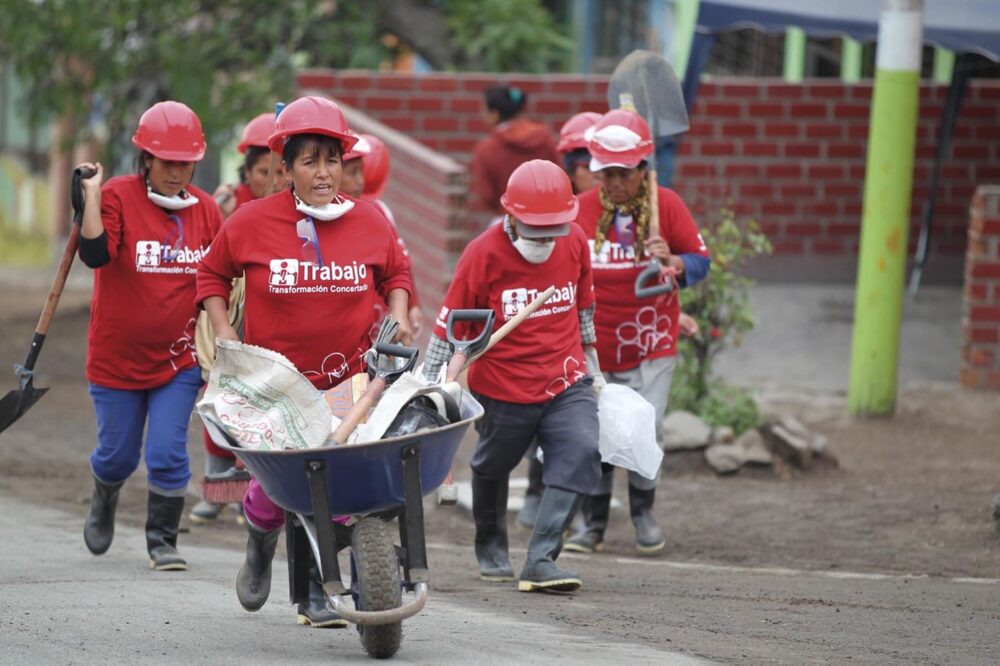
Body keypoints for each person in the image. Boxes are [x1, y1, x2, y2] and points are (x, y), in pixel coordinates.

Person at [196, 95, 413, 626]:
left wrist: (401, 314)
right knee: (277, 495)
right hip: (273, 386)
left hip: (345, 381)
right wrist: (226, 334)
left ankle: (318, 593)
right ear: (286, 167)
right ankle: (258, 540)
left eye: (332, 159)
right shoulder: (252, 221)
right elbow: (210, 276)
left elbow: (398, 276)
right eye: (309, 160)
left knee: (334, 489)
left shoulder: (369, 223)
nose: (323, 172)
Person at [422, 159, 602, 592]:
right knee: (492, 465)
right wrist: (432, 386)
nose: (543, 240)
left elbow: (584, 308)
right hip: (502, 389)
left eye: (551, 230)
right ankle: (491, 543)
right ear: (510, 216)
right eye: (533, 229)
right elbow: (451, 328)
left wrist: (594, 364)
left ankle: (541, 559)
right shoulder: (483, 254)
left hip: (565, 378)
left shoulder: (575, 241)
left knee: (582, 448)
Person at [75, 101, 222, 571]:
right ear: (147, 159)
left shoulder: (206, 212)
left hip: (177, 361)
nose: (178, 172)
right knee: (117, 456)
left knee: (166, 452)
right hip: (116, 359)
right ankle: (105, 496)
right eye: (168, 162)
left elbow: (222, 276)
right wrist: (92, 197)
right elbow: (95, 255)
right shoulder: (117, 196)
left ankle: (162, 540)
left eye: (186, 162)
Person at [566, 109, 710, 556]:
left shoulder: (667, 206)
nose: (612, 183)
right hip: (595, 342)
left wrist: (674, 262)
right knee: (598, 430)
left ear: (643, 170)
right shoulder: (582, 211)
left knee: (648, 426)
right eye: (604, 173)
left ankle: (644, 511)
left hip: (652, 340)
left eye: (622, 174)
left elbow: (700, 262)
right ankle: (594, 523)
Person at [190, 112, 283, 526]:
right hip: (230, 309)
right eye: (264, 171)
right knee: (219, 393)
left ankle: (255, 488)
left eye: (279, 169)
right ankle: (217, 488)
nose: (272, 179)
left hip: (271, 310)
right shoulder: (231, 204)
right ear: (248, 170)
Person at [470, 85, 560, 219]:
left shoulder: (486, 149)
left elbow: (487, 195)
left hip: (507, 218)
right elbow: (561, 175)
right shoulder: (546, 138)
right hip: (549, 217)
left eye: (483, 110)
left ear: (494, 114)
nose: (481, 114)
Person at [212, 112, 288, 219]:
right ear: (247, 171)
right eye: (265, 172)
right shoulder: (228, 203)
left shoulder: (301, 206)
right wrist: (223, 215)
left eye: (281, 172)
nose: (274, 181)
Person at [556, 111, 602, 194]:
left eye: (606, 168)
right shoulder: (555, 205)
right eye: (589, 167)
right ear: (571, 173)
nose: (600, 175)